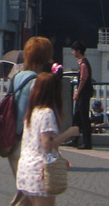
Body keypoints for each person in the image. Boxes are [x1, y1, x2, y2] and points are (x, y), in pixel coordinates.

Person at [7, 36, 61, 206]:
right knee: (31, 197)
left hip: (12, 140)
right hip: (29, 146)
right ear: (45, 57)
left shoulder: (17, 77)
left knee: (25, 195)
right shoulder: (38, 82)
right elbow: (40, 118)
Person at [16, 69, 81, 205]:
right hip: (40, 171)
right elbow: (46, 144)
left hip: (26, 168)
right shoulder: (47, 113)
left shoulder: (33, 111)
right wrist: (69, 133)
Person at [69, 40, 94, 150]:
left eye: (74, 50)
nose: (73, 53)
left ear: (78, 51)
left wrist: (77, 92)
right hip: (84, 92)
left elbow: (83, 79)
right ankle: (75, 139)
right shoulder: (82, 63)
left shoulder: (83, 64)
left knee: (84, 117)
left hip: (84, 93)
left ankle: (87, 143)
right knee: (77, 116)